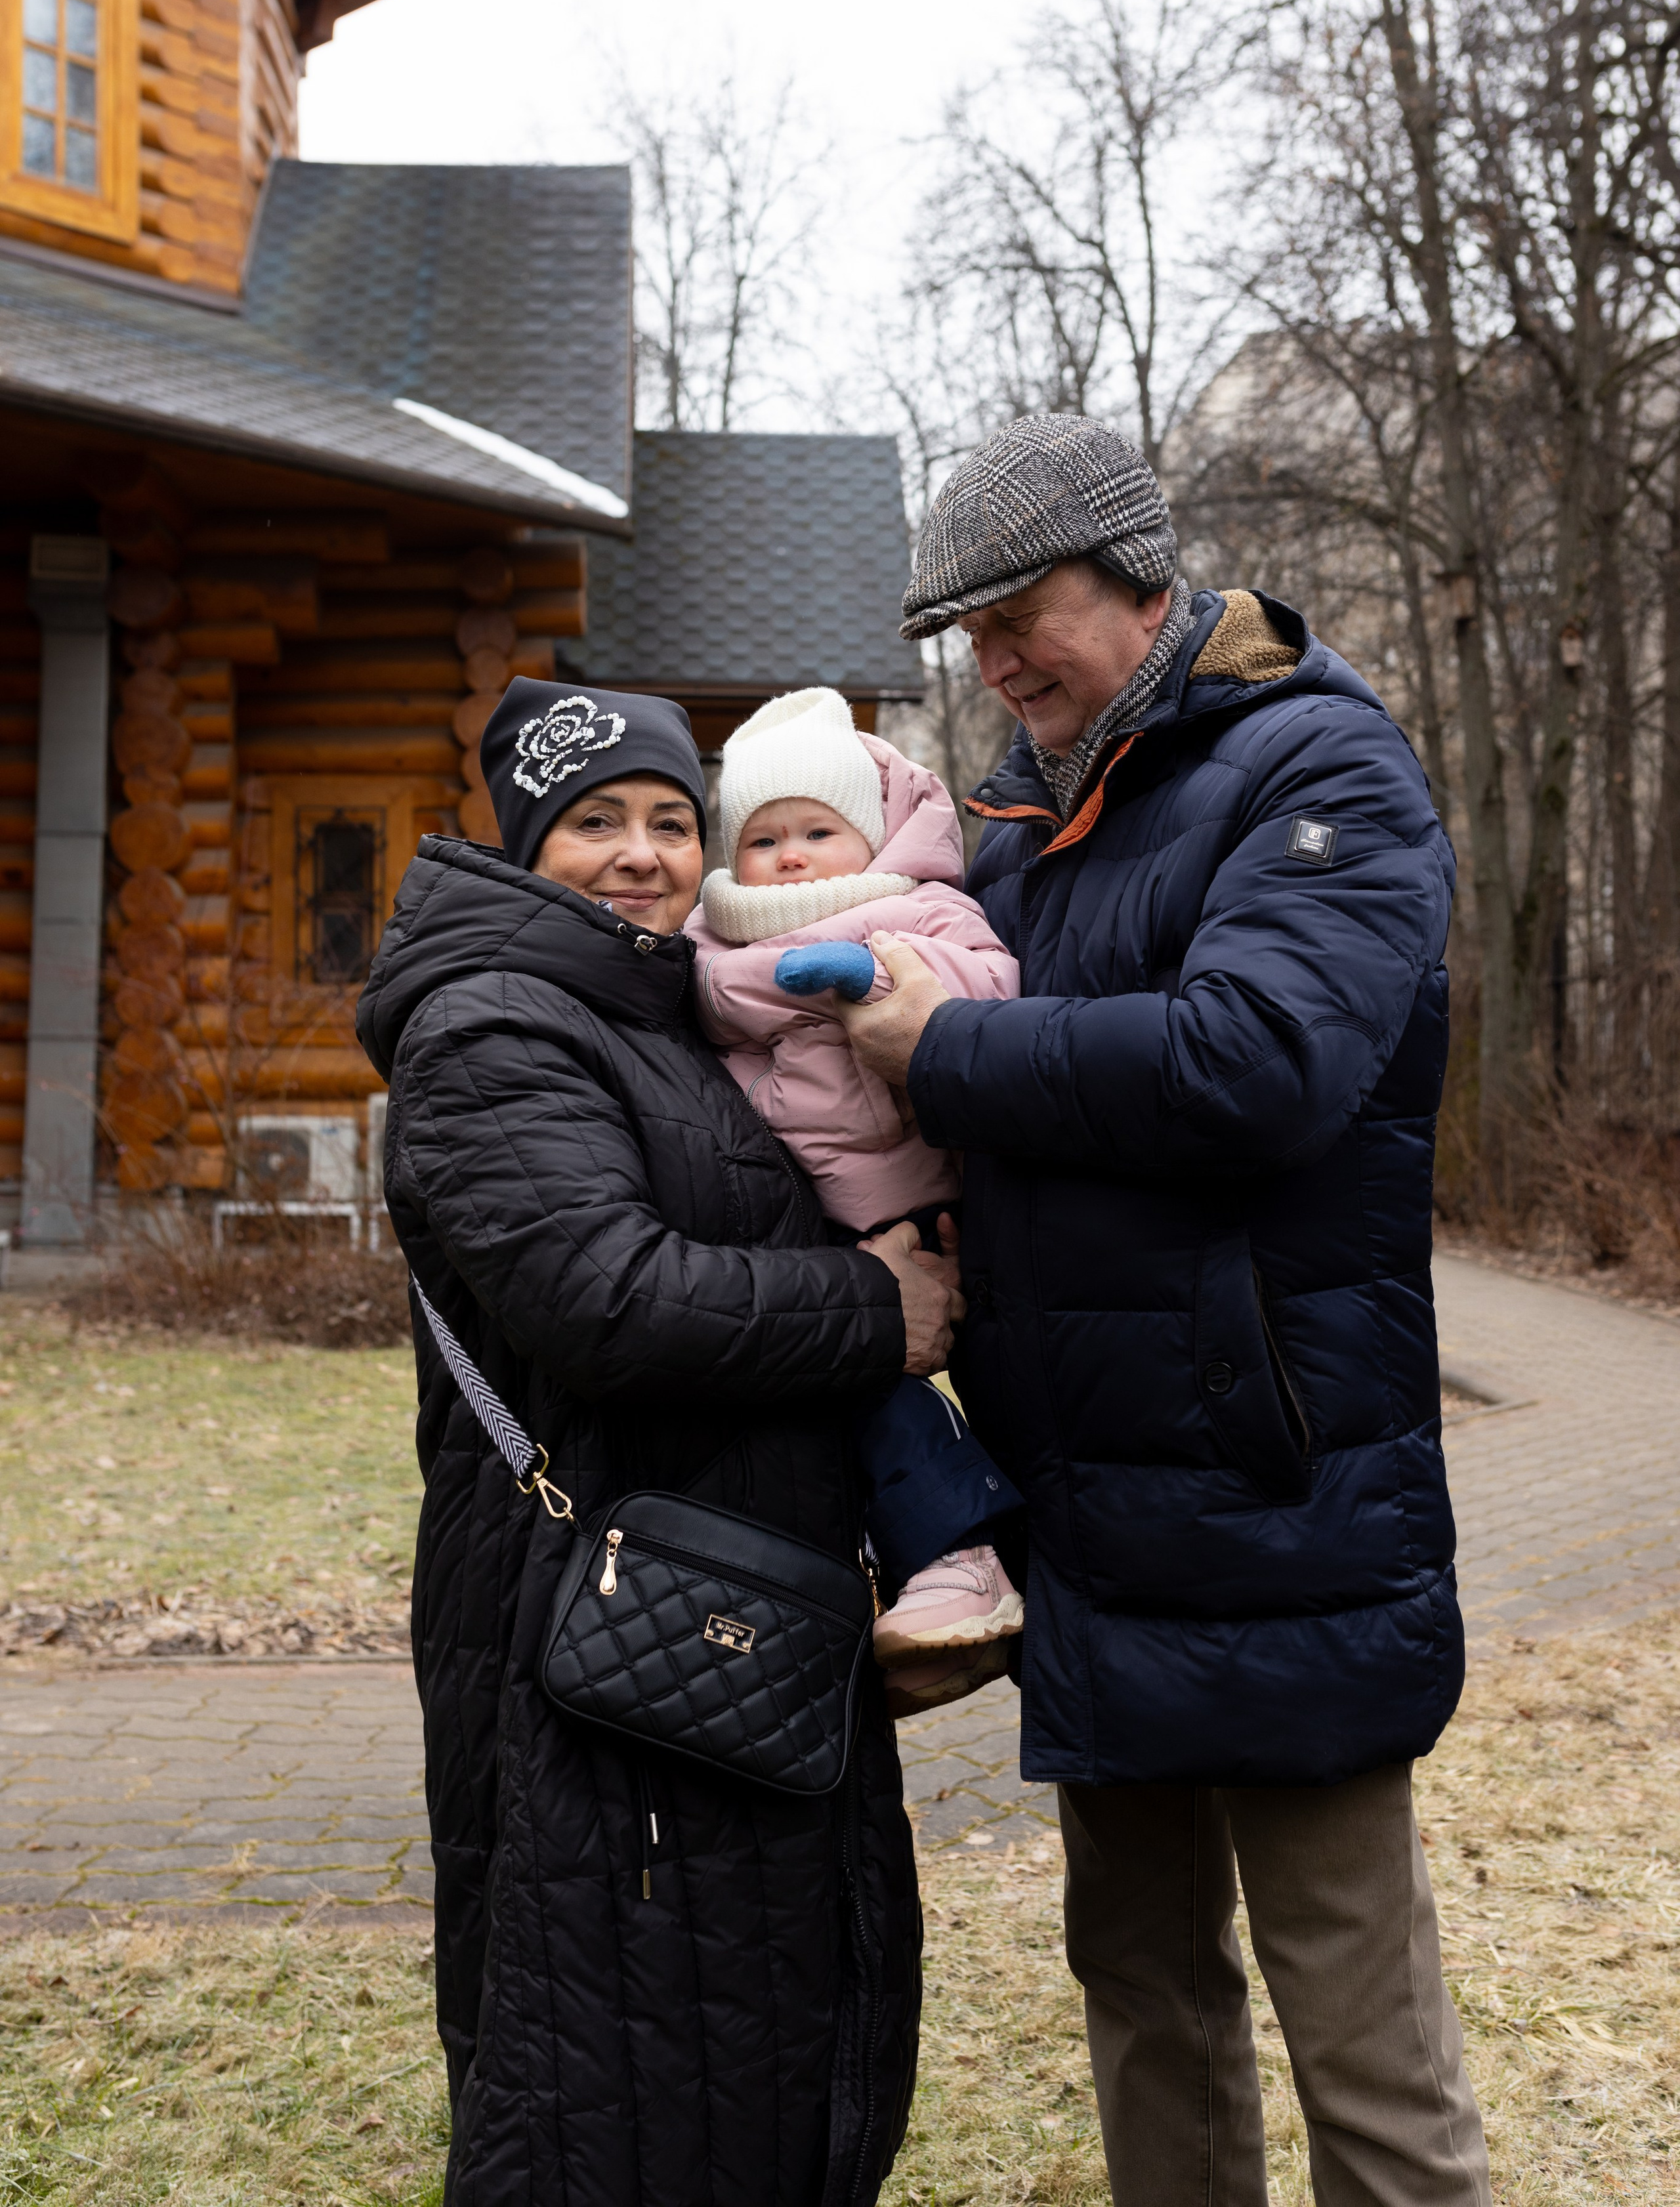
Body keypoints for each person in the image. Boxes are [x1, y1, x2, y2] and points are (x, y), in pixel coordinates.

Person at [834, 412, 1491, 2207]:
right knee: (1143, 1991)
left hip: (1279, 1499)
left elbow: (1257, 1065)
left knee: (1356, 2021)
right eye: (967, 636)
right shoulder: (1022, 824)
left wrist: (945, 1051)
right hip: (1089, 1509)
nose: (993, 663)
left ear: (1137, 580)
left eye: (1017, 616)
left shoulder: (1318, 769)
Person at [356, 679, 952, 2207]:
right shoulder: (491, 1025)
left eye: (672, 821)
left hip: (714, 1612)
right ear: (526, 844)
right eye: (594, 822)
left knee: (728, 2049)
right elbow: (601, 1297)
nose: (640, 853)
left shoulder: (661, 1012)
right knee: (604, 2072)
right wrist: (871, 1309)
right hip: (593, 1623)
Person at [684, 683, 1026, 1714]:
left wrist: (876, 978)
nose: (791, 858)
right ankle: (905, 1586)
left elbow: (993, 987)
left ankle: (963, 1555)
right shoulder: (712, 949)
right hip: (809, 1222)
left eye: (818, 832)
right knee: (820, 1396)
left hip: (916, 1207)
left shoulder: (914, 908)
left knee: (874, 1390)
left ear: (870, 838)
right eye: (764, 839)